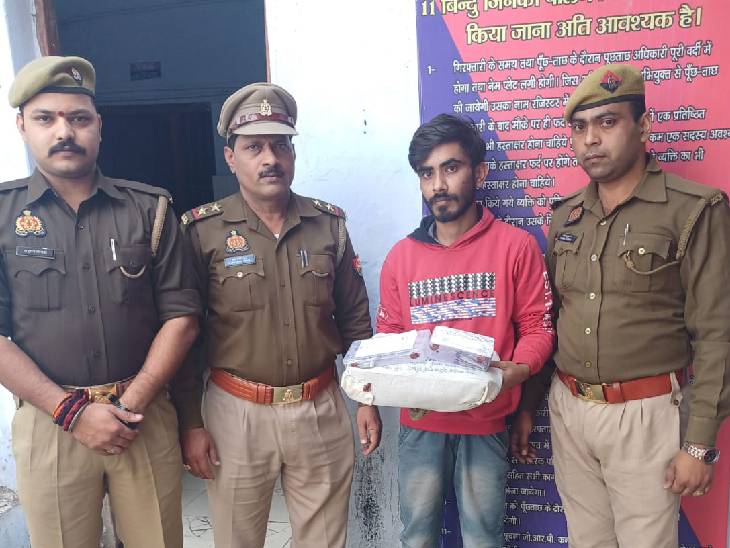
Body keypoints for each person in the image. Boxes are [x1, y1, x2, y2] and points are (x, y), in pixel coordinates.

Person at [512, 63, 730, 548]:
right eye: (579, 127)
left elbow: (718, 333)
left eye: (607, 122)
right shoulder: (566, 216)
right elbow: (554, 318)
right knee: (586, 541)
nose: (590, 139)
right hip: (570, 409)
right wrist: (530, 405)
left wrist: (699, 443)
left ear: (643, 126)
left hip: (645, 416)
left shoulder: (693, 209)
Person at [0, 55, 201, 548]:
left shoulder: (148, 210)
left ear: (98, 126)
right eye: (46, 118)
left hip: (142, 417)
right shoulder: (4, 216)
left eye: (79, 118)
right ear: (22, 126)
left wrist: (129, 404)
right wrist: (71, 412)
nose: (64, 131)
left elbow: (182, 317)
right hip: (50, 424)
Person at [172, 82, 381, 548]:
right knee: (237, 539)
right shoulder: (202, 232)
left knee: (324, 539)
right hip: (236, 413)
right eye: (254, 147)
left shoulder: (328, 225)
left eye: (280, 145)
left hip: (319, 407)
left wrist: (367, 398)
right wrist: (189, 422)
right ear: (231, 158)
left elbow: (355, 321)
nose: (271, 158)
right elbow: (185, 335)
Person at [376, 113, 554, 547]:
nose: (438, 184)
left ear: (479, 173)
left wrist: (519, 369)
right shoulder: (401, 257)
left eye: (450, 168)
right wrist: (367, 399)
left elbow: (538, 327)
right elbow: (390, 336)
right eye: (427, 173)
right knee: (417, 536)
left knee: (482, 538)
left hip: (487, 420)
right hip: (421, 423)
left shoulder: (515, 247)